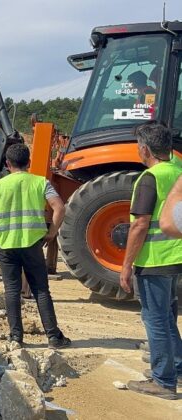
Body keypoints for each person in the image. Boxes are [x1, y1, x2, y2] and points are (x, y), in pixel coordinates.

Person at [0, 144, 71, 349]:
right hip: (32, 244)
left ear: (7, 164)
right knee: (41, 290)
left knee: (11, 290)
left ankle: (16, 337)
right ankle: (54, 337)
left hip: (6, 245)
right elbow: (59, 208)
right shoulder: (40, 182)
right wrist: (51, 232)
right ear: (29, 162)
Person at [119, 122, 182, 400]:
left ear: (145, 149)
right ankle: (176, 368)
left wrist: (126, 264)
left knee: (155, 319)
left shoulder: (150, 178)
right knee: (168, 317)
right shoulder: (178, 172)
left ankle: (163, 381)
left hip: (155, 260)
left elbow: (140, 225)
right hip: (176, 258)